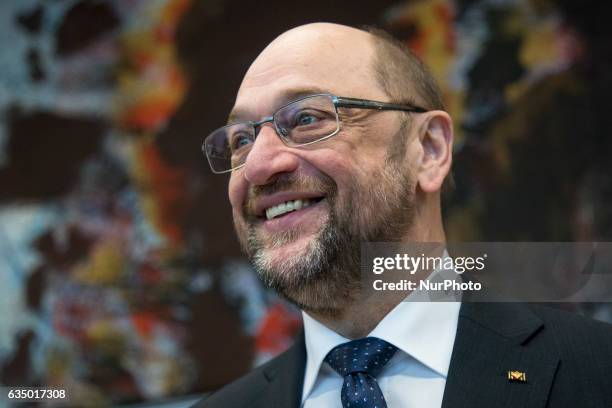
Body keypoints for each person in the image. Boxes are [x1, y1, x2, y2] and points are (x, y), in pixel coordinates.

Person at [194, 23, 612, 408]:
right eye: (241, 139)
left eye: (307, 118)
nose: (258, 165)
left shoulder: (596, 372)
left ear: (428, 150)